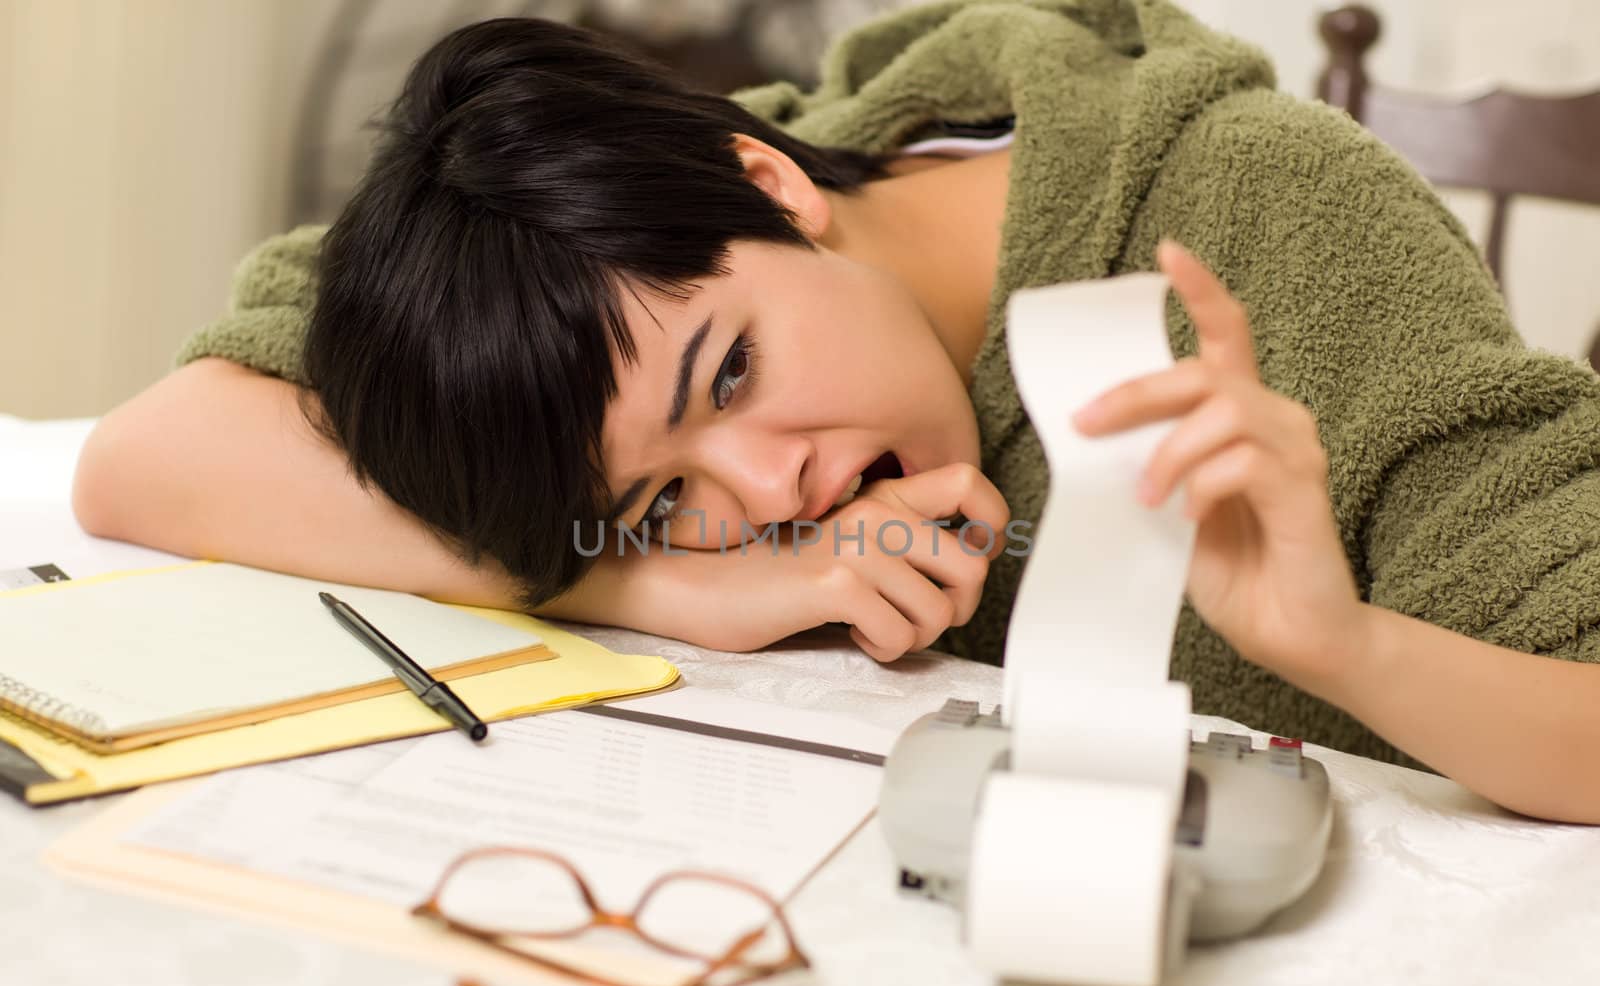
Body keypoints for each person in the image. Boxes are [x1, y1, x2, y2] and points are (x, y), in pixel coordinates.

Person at [72, 0, 1600, 822]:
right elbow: (149, 462)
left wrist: (1340, 645)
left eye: (728, 373)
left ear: (772, 184)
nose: (763, 486)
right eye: (669, 488)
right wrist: (687, 578)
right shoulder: (565, 273)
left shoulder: (1262, 218)